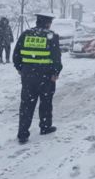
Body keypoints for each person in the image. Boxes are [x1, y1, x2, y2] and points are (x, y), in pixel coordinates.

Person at [13, 13, 63, 144]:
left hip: (28, 76)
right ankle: (45, 127)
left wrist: (20, 68)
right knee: (46, 102)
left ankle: (23, 133)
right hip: (46, 76)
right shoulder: (51, 36)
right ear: (47, 23)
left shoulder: (26, 34)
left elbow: (16, 53)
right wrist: (56, 72)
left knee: (26, 105)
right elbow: (56, 57)